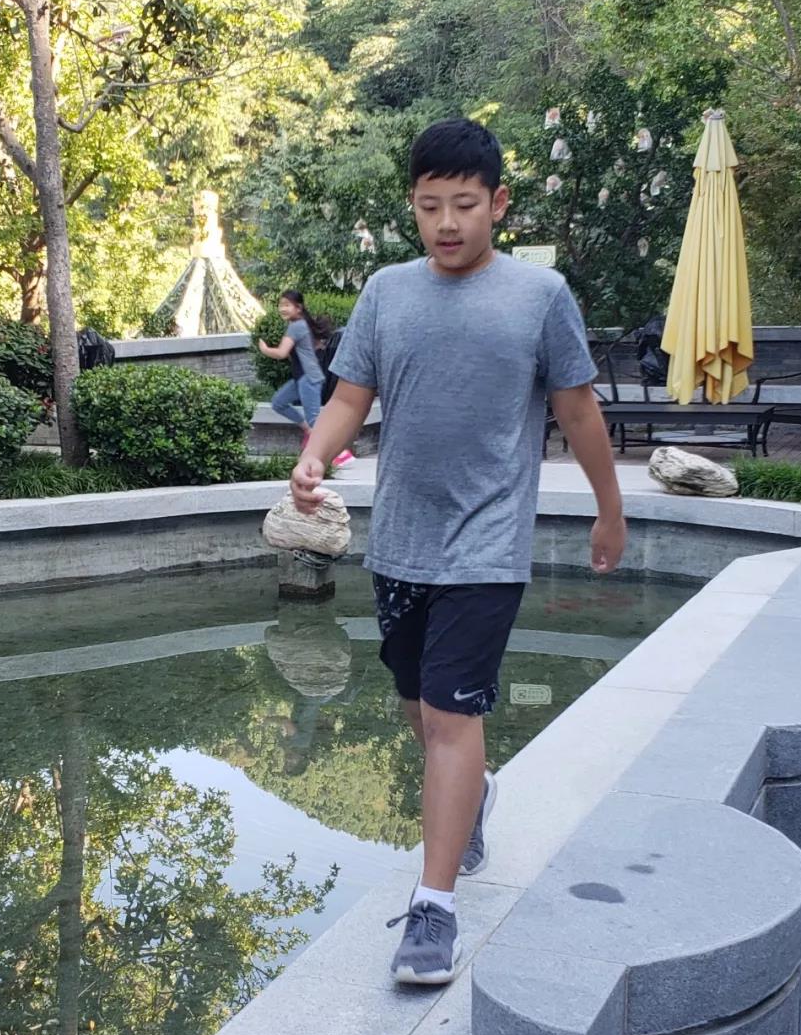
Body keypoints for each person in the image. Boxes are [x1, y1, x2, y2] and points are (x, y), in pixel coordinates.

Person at [290, 118, 625, 985]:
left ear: (498, 203)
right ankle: (472, 796)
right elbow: (350, 396)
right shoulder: (386, 293)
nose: (447, 222)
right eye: (430, 205)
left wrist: (609, 509)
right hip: (401, 540)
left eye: (465, 204)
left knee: (448, 714)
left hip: (487, 545)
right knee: (418, 706)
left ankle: (433, 910)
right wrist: (314, 455)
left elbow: (578, 409)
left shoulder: (540, 295)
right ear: (412, 203)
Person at [259, 290, 354, 467]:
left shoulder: (296, 327)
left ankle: (341, 453)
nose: (282, 309)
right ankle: (307, 430)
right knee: (279, 402)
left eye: (287, 305)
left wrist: (265, 349)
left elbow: (281, 353)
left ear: (298, 308)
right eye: (281, 305)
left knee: (315, 420)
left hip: (309, 379)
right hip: (301, 379)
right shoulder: (300, 325)